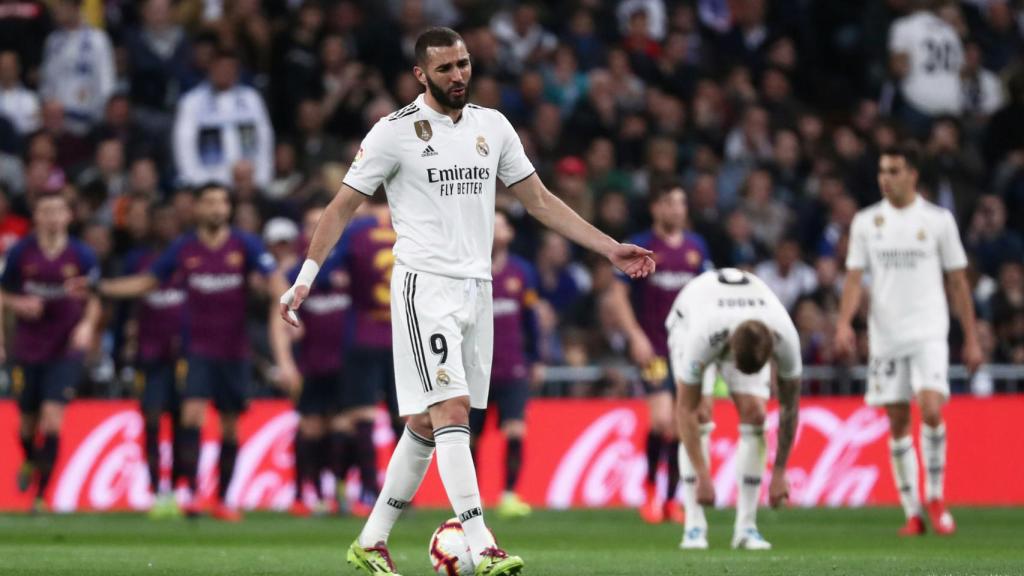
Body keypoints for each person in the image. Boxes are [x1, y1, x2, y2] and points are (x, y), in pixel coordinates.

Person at [279, 27, 654, 576]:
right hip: (422, 287)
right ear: (420, 74)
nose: (458, 75)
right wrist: (307, 274)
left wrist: (607, 249)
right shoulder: (394, 133)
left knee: (432, 425)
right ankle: (483, 545)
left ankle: (372, 541)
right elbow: (340, 207)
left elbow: (540, 201)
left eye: (464, 64)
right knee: (452, 411)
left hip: (478, 289)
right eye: (446, 68)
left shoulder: (492, 126)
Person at [93, 183, 287, 522]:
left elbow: (274, 280)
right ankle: (194, 494)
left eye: (221, 202)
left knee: (230, 425)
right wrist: (102, 287)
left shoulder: (245, 243)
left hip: (234, 350)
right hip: (196, 348)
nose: (216, 208)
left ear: (228, 208)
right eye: (209, 202)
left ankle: (224, 499)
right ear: (197, 208)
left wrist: (283, 298)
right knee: (192, 415)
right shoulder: (185, 247)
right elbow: (148, 282)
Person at [835, 145, 982, 536]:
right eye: (882, 170)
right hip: (885, 336)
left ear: (912, 175)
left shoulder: (938, 221)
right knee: (898, 420)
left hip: (929, 331)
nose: (886, 178)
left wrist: (971, 338)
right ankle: (912, 512)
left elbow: (957, 281)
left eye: (894, 170)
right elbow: (854, 278)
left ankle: (935, 496)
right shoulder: (867, 221)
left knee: (931, 409)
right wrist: (844, 324)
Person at [668, 268, 802, 550]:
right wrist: (704, 476)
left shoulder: (785, 336)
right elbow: (684, 410)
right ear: (731, 349)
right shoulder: (702, 336)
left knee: (756, 414)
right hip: (689, 316)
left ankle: (747, 528)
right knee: (701, 413)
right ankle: (694, 526)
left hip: (740, 317)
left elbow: (790, 408)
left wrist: (780, 472)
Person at [607, 180, 713, 525]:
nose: (676, 209)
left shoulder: (697, 248)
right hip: (653, 348)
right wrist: (634, 335)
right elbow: (617, 295)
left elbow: (706, 294)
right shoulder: (643, 246)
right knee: (663, 420)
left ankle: (671, 499)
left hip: (687, 349)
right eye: (669, 202)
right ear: (656, 208)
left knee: (683, 426)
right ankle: (652, 488)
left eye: (681, 202)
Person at [2, 192, 101, 512]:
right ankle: (31, 462)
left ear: (68, 216)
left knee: (53, 419)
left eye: (59, 210)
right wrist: (18, 303)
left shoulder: (82, 255)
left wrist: (87, 326)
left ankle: (42, 496)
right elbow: (3, 292)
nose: (54, 216)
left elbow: (96, 296)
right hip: (29, 345)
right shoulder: (21, 253)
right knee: (27, 424)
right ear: (37, 217)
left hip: (65, 347)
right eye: (47, 210)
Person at [270, 204, 352, 517]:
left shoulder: (350, 262)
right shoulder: (294, 273)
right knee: (312, 429)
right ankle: (309, 493)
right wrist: (285, 363)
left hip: (348, 361)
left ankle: (341, 490)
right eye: (310, 224)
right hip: (312, 363)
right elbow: (277, 320)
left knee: (344, 427)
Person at [326, 191, 399, 516]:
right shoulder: (410, 224)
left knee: (362, 416)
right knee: (406, 417)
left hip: (364, 334)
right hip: (404, 336)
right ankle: (402, 495)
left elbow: (330, 272)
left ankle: (370, 492)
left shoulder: (357, 231)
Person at [469, 209, 542, 519]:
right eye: (490, 222)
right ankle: (471, 500)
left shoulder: (522, 272)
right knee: (471, 437)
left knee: (515, 430)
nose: (495, 229)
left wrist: (537, 359)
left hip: (512, 366)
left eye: (500, 224)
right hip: (475, 367)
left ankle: (510, 495)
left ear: (510, 233)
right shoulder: (468, 270)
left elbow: (531, 320)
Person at [121, 199, 188, 519]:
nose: (165, 226)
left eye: (169, 220)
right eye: (158, 220)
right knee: (150, 417)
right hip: (149, 353)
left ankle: (174, 488)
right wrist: (128, 340)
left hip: (184, 354)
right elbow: (127, 304)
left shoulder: (189, 257)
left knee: (179, 420)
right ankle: (152, 488)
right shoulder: (137, 260)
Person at [172, 48, 274, 188]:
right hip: (208, 182)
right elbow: (184, 144)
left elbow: (265, 139)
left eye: (230, 68)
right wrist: (196, 181)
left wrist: (262, 177)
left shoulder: (251, 99)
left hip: (249, 180)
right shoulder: (192, 102)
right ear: (211, 69)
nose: (225, 72)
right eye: (221, 68)